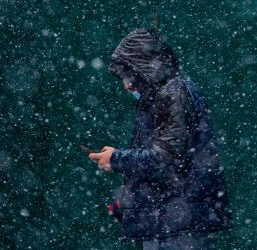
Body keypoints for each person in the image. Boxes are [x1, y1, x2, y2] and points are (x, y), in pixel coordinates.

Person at [88, 28, 232, 250]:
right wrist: (129, 204)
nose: (127, 85)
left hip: (178, 226)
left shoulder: (173, 92)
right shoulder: (162, 94)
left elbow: (167, 158)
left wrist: (117, 159)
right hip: (172, 223)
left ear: (145, 68)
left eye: (129, 75)